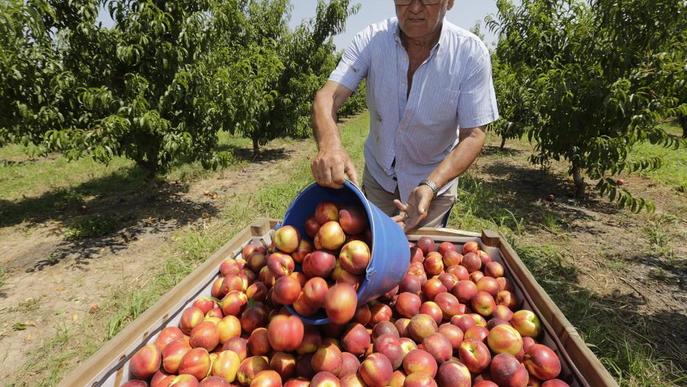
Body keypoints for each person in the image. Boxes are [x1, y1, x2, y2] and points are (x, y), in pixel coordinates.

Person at [310, 0, 499, 231]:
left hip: (433, 185)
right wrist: (330, 145)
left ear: (449, 2)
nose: (415, 8)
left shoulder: (470, 53)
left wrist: (431, 185)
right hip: (380, 181)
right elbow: (328, 96)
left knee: (421, 258)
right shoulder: (372, 40)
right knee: (373, 246)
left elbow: (474, 135)